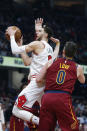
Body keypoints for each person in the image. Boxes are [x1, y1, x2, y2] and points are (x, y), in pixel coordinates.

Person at [6, 21, 60, 127]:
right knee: (45, 111)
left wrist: (12, 35)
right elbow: (27, 62)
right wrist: (58, 44)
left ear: (45, 34)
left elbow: (14, 50)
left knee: (16, 110)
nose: (37, 33)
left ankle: (42, 123)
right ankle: (49, 125)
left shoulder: (38, 44)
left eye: (40, 31)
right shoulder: (50, 48)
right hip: (44, 84)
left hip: (36, 82)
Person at [36, 41, 85, 131]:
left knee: (44, 128)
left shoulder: (51, 62)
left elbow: (38, 79)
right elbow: (82, 81)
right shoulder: (78, 67)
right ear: (74, 54)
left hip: (47, 97)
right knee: (73, 127)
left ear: (63, 51)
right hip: (62, 98)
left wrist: (51, 79)